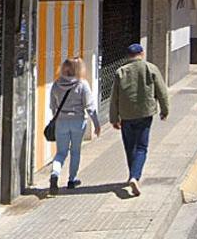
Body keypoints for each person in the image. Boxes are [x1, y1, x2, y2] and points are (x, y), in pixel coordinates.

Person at [110, 43, 169, 197]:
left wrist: (113, 117)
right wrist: (165, 110)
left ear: (128, 56)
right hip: (145, 113)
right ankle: (135, 176)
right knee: (142, 147)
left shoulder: (120, 71)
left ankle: (132, 175)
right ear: (142, 54)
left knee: (130, 147)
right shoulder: (151, 68)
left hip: (126, 115)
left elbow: (114, 97)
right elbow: (162, 91)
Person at [48, 58, 100, 195]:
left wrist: (58, 116)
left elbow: (52, 105)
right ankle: (72, 180)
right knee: (75, 151)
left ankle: (54, 174)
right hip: (78, 121)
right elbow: (89, 106)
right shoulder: (82, 84)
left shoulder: (56, 84)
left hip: (61, 122)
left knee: (60, 153)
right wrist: (96, 123)